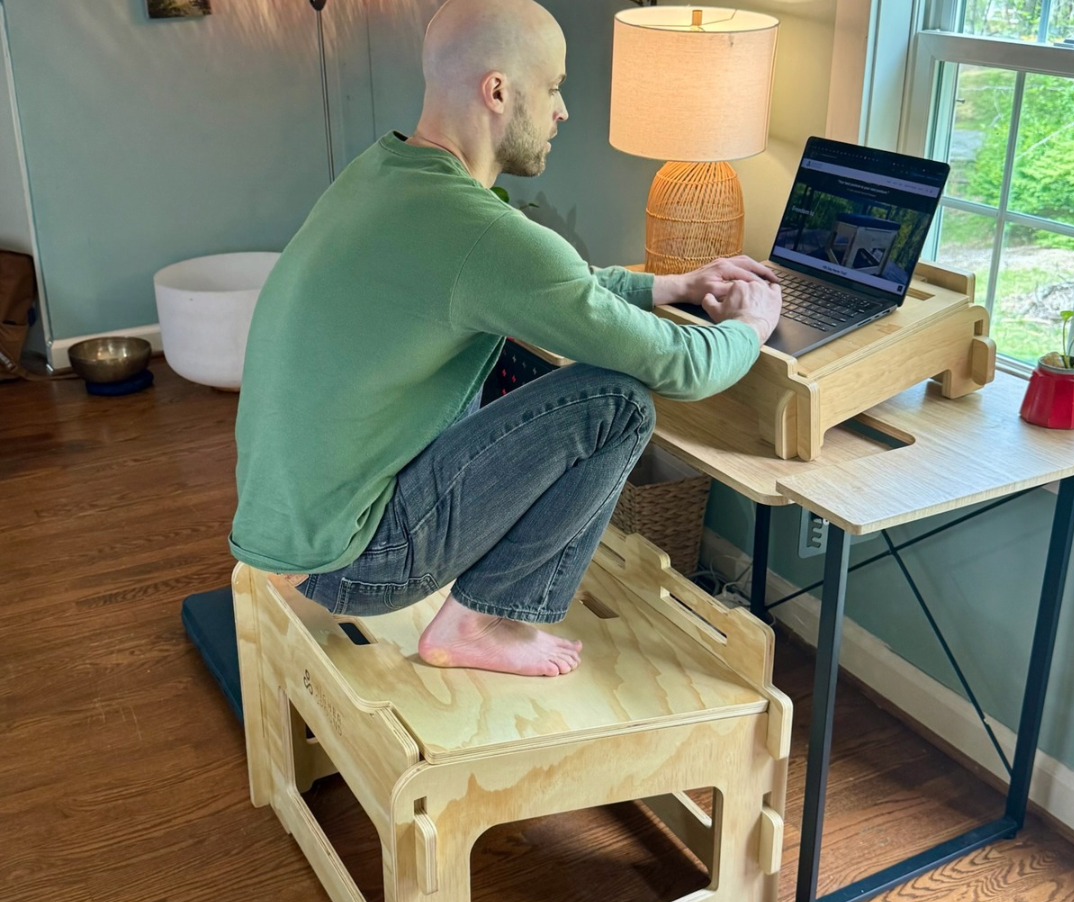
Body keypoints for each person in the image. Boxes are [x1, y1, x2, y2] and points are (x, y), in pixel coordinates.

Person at [229, 0, 782, 678]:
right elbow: (683, 367)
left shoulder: (385, 174)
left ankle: (476, 611)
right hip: (359, 562)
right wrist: (751, 324)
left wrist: (670, 285)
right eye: (553, 87)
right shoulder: (479, 234)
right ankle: (477, 622)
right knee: (618, 403)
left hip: (293, 531)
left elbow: (553, 282)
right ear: (497, 92)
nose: (563, 111)